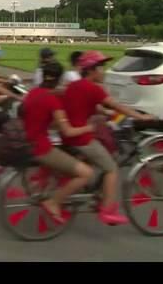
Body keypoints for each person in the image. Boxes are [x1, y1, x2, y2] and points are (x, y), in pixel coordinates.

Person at [63, 51, 156, 225]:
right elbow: (116, 105)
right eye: (101, 67)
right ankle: (107, 210)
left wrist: (106, 112)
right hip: (82, 138)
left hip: (70, 134)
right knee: (112, 168)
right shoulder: (93, 88)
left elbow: (85, 106)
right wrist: (140, 117)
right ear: (91, 70)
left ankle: (94, 193)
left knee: (105, 150)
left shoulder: (75, 85)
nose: (103, 71)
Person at [22, 61, 95, 223]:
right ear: (59, 79)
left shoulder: (33, 93)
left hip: (28, 140)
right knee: (86, 173)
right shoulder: (52, 100)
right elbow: (68, 131)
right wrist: (89, 128)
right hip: (41, 147)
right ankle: (53, 203)